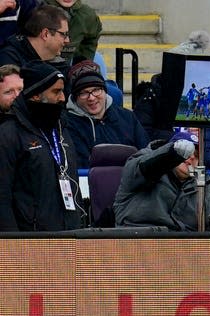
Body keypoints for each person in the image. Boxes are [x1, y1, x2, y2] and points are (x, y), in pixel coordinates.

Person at [0, 60, 83, 231]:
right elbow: (2, 195)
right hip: (30, 241)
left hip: (70, 234)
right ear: (36, 95)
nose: (63, 98)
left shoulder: (62, 129)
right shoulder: (8, 134)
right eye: (56, 92)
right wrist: (12, 245)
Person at [113, 130, 210, 232]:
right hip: (136, 240)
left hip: (180, 250)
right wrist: (171, 153)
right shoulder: (143, 168)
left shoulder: (204, 184)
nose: (190, 157)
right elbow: (144, 167)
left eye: (196, 155)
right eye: (185, 152)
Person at [65, 59, 149, 168]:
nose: (91, 97)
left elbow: (146, 153)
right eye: (84, 93)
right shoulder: (68, 124)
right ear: (75, 98)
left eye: (96, 90)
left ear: (105, 91)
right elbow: (82, 165)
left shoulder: (127, 117)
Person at [0, 4, 71, 76]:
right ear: (45, 34)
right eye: (64, 34)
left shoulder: (60, 65)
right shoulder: (9, 61)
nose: (67, 40)